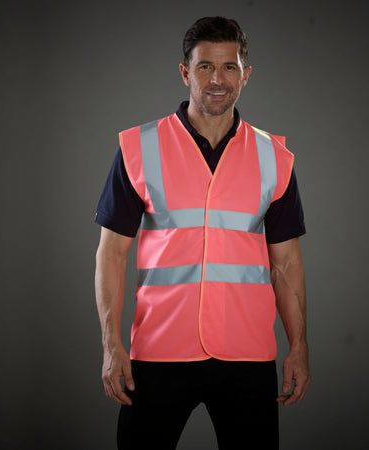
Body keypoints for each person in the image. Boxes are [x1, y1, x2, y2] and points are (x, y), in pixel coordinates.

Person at [95, 16, 310, 450]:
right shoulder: (139, 148)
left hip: (247, 353)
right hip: (159, 351)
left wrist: (299, 345)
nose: (217, 79)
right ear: (184, 72)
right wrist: (111, 345)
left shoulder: (274, 156)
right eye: (205, 67)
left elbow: (286, 264)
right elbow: (111, 254)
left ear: (245, 75)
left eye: (229, 67)